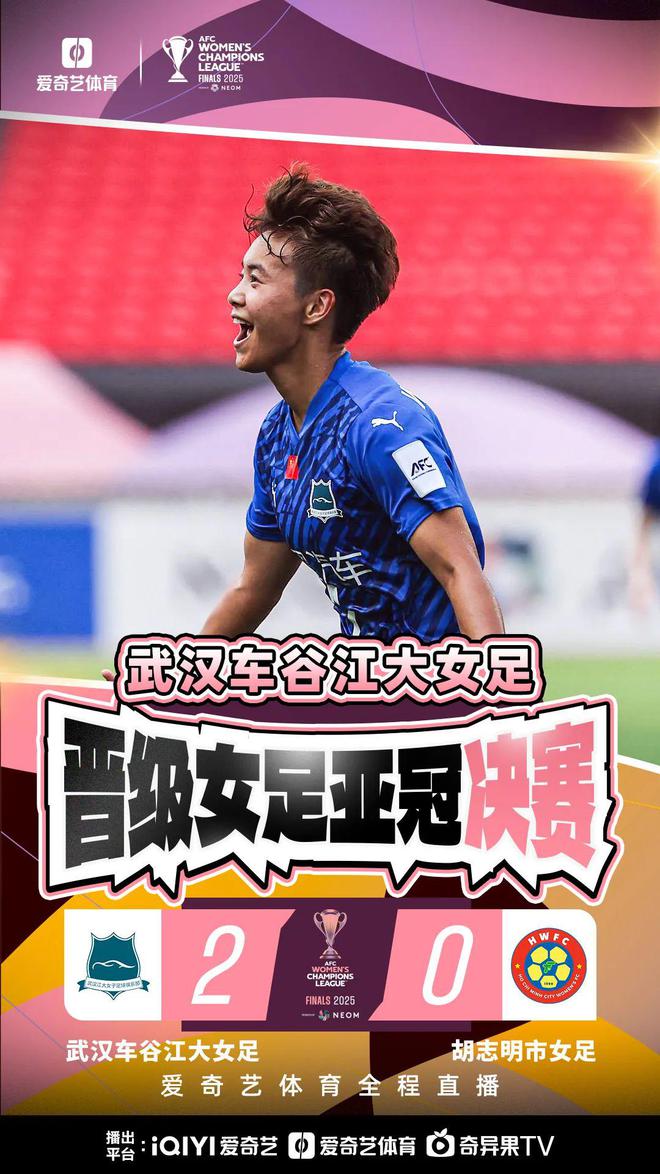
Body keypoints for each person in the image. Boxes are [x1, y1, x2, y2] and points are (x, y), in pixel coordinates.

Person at [202, 164, 503, 642]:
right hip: (365, 679)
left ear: (316, 306)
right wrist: (172, 673)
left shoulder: (380, 426)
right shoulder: (277, 435)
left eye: (255, 281)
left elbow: (459, 570)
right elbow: (253, 588)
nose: (234, 295)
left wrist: (493, 682)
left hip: (436, 680)